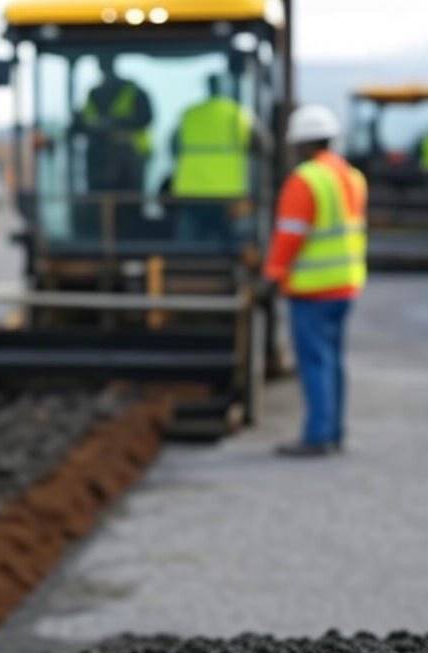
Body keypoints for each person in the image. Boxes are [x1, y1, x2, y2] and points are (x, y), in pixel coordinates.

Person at [264, 105, 367, 457]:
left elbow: (291, 234)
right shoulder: (352, 177)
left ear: (301, 144)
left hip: (313, 288)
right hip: (346, 283)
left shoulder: (305, 179)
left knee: (314, 362)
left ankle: (317, 435)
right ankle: (334, 430)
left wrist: (273, 273)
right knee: (333, 360)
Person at [171, 74, 259, 243]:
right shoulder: (238, 114)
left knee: (188, 245)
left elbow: (173, 146)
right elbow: (262, 144)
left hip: (191, 191)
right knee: (231, 244)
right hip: (228, 192)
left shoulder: (189, 114)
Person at [76, 53, 153, 193]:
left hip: (130, 153)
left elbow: (146, 118)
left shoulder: (133, 91)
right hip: (100, 157)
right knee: (101, 198)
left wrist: (114, 124)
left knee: (128, 199)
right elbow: (83, 123)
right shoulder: (93, 93)